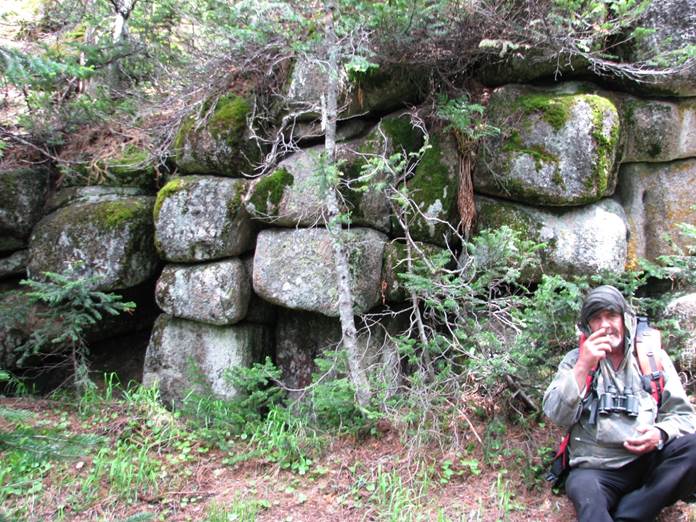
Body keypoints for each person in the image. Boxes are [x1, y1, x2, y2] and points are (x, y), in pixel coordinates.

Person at [543, 285, 696, 521]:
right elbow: (557, 415)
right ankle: (635, 508)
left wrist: (660, 433)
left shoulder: (651, 359)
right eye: (597, 318)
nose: (605, 325)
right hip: (595, 469)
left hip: (646, 462)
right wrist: (583, 366)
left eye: (611, 315)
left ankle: (628, 513)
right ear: (587, 326)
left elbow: (685, 417)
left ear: (625, 319)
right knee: (587, 495)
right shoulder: (575, 361)